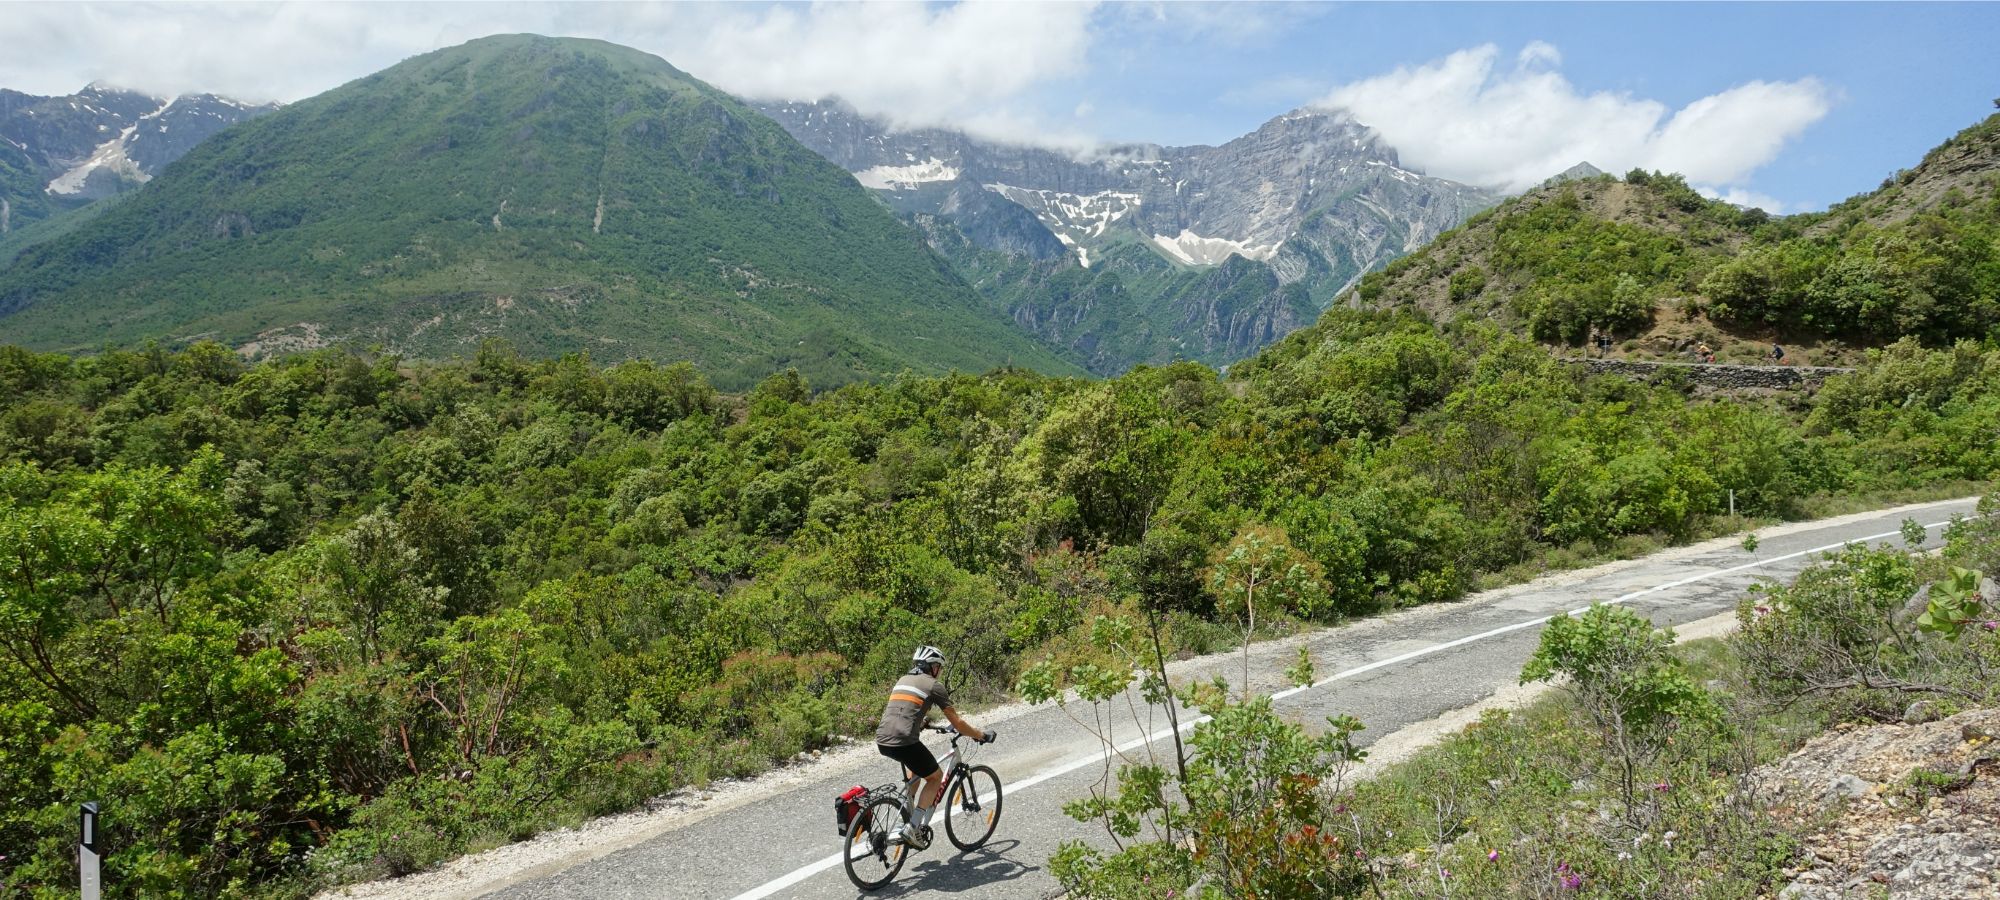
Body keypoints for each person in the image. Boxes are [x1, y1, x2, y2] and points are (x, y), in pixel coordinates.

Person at [875, 645, 993, 849]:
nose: (939, 670)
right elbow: (957, 723)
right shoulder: (933, 685)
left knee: (917, 770)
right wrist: (980, 735)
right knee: (935, 777)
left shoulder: (903, 680)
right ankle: (912, 827)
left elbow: (904, 710)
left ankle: (906, 813)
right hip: (904, 741)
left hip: (883, 740)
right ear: (932, 667)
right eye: (938, 666)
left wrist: (922, 723)